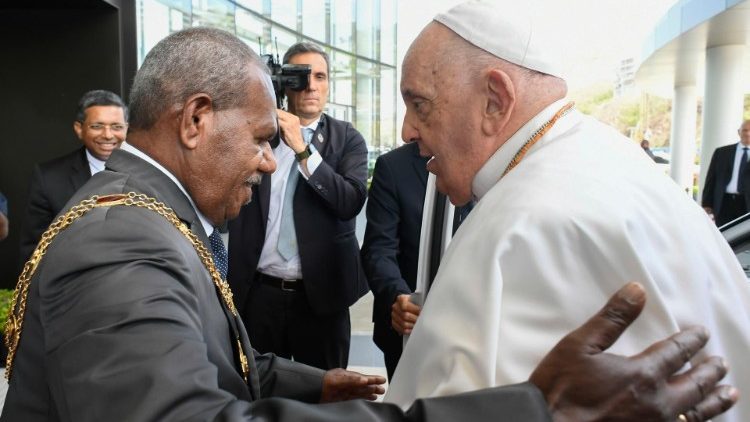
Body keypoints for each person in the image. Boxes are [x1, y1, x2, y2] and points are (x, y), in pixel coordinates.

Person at [1, 26, 737, 422]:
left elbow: (214, 356)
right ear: (195, 119)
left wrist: (322, 383)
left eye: (421, 106)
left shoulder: (144, 215)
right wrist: (532, 409)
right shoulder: (122, 240)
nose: (268, 164)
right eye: (262, 139)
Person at [384, 3, 750, 421]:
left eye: (420, 104)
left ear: (494, 100)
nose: (407, 131)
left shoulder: (524, 223)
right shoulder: (605, 154)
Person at [228, 42, 368, 370]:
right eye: (300, 76)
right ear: (283, 83)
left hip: (320, 298)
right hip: (258, 294)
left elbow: (349, 202)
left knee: (325, 396)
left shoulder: (347, 139)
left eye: (320, 76)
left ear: (329, 84)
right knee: (258, 395)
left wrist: (302, 148)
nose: (311, 86)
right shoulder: (253, 136)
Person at [361, 142, 471, 379]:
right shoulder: (393, 166)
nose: (407, 130)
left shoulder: (490, 164)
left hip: (470, 328)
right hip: (405, 328)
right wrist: (397, 296)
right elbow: (378, 249)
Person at [19, 89, 128, 264]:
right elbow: (34, 253)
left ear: (127, 128)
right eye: (97, 126)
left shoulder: (148, 174)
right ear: (79, 129)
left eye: (117, 127)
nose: (108, 135)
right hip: (72, 285)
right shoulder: (49, 178)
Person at [702, 120, 750, 226]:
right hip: (724, 202)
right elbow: (711, 179)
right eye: (745, 130)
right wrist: (706, 203)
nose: (748, 133)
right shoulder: (722, 152)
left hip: (746, 205)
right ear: (739, 132)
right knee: (723, 234)